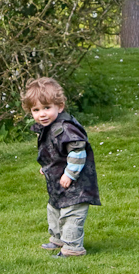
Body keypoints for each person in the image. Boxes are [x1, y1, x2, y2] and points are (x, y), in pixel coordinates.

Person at [21, 76, 101, 257]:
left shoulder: (66, 128)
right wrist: (48, 166)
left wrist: (70, 174)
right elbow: (54, 152)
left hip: (76, 183)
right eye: (36, 110)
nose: (41, 114)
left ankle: (72, 247)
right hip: (57, 182)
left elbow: (78, 152)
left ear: (60, 106)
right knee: (55, 209)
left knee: (71, 213)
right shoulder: (47, 126)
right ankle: (58, 239)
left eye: (47, 108)